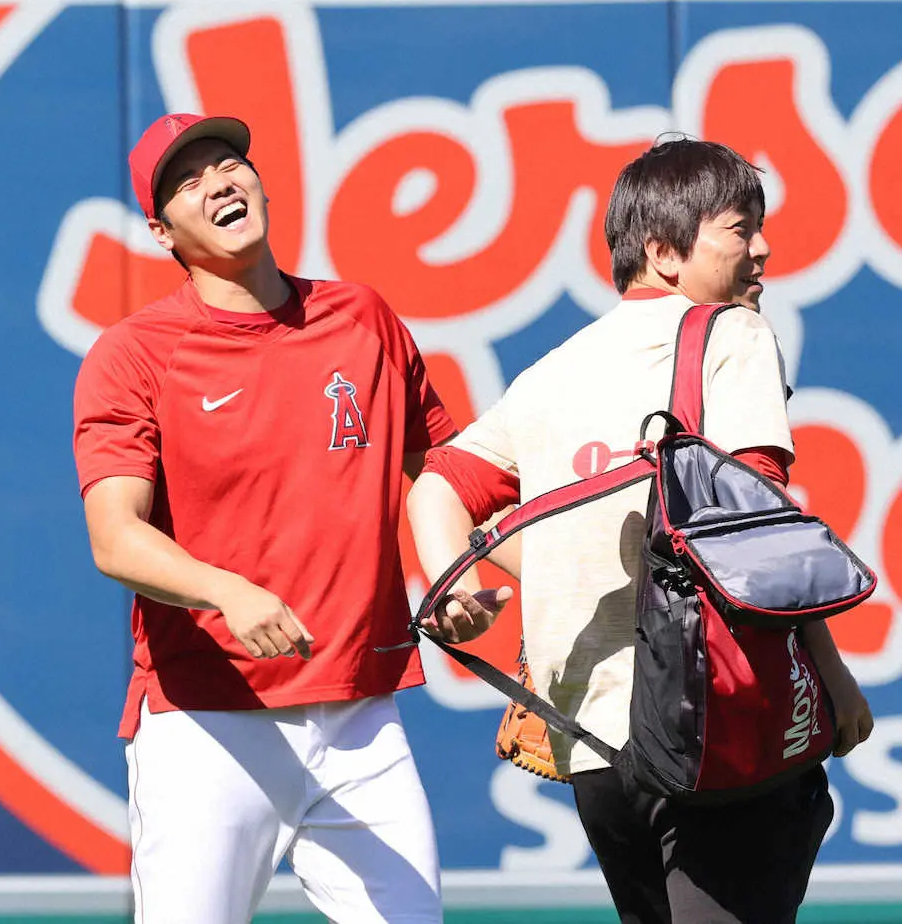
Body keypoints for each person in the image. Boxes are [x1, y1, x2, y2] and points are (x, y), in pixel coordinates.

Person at [406, 138, 874, 924]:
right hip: (711, 727)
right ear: (663, 251)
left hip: (591, 739)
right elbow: (756, 537)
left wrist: (454, 580)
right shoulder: (731, 333)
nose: (762, 248)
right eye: (739, 228)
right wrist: (832, 675)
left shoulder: (553, 370)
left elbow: (439, 485)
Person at [72, 112, 456, 924]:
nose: (218, 182)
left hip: (359, 713)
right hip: (208, 721)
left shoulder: (363, 316)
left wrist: (454, 570)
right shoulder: (137, 352)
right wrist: (226, 590)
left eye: (228, 163)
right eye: (187, 181)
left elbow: (439, 468)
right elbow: (114, 535)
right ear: (159, 228)